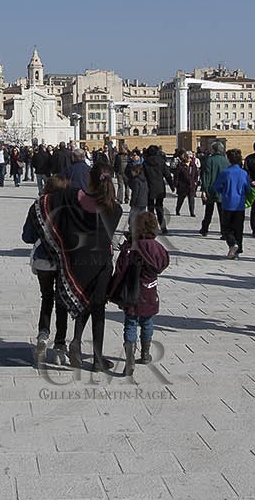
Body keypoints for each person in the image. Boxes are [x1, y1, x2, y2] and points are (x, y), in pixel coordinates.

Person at [35, 168, 122, 373]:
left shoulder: (76, 200)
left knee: (82, 301)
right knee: (98, 309)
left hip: (76, 260)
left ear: (90, 183)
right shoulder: (115, 209)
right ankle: (97, 358)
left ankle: (75, 340)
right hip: (101, 263)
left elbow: (49, 200)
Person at [112, 211, 170, 375]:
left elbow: (121, 269)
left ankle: (130, 358)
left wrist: (113, 290)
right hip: (150, 291)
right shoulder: (158, 247)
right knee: (147, 322)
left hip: (132, 291)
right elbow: (164, 260)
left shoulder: (133, 247)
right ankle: (145, 353)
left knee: (130, 323)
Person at [24, 175, 71, 366]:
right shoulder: (69, 209)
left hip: (43, 261)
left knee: (47, 298)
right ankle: (60, 345)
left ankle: (43, 334)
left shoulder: (36, 207)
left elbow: (26, 236)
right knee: (62, 302)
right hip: (63, 261)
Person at [211, 148, 253, 258]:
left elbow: (216, 187)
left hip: (227, 203)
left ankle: (232, 243)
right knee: (239, 228)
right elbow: (248, 188)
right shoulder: (243, 173)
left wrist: (223, 190)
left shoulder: (225, 172)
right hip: (240, 204)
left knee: (226, 227)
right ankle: (238, 250)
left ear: (229, 159)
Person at [198, 139, 229, 237]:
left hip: (211, 190)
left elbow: (206, 176)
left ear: (214, 150)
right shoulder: (226, 161)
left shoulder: (210, 160)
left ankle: (204, 229)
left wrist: (204, 190)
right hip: (223, 191)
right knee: (222, 213)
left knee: (208, 212)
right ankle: (224, 232)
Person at [142, 146, 169, 233]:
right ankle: (163, 227)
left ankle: (151, 227)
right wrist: (172, 185)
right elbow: (167, 174)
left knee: (150, 209)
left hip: (149, 187)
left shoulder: (145, 162)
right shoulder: (161, 161)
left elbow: (142, 176)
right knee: (160, 207)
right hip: (160, 187)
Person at [172, 151, 199, 218]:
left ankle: (192, 212)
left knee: (191, 200)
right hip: (183, 186)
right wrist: (176, 184)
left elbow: (196, 174)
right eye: (188, 157)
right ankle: (177, 210)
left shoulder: (193, 165)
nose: (190, 158)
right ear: (185, 158)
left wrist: (195, 182)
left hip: (191, 185)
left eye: (190, 157)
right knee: (180, 200)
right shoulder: (181, 165)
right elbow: (177, 175)